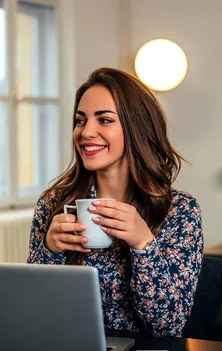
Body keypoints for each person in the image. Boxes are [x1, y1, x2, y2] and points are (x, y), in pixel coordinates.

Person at [27, 67, 203, 337]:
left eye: (104, 120)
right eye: (80, 120)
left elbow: (167, 326)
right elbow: (33, 309)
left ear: (136, 128)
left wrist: (144, 244)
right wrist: (49, 250)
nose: (86, 132)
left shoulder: (180, 212)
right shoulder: (53, 203)